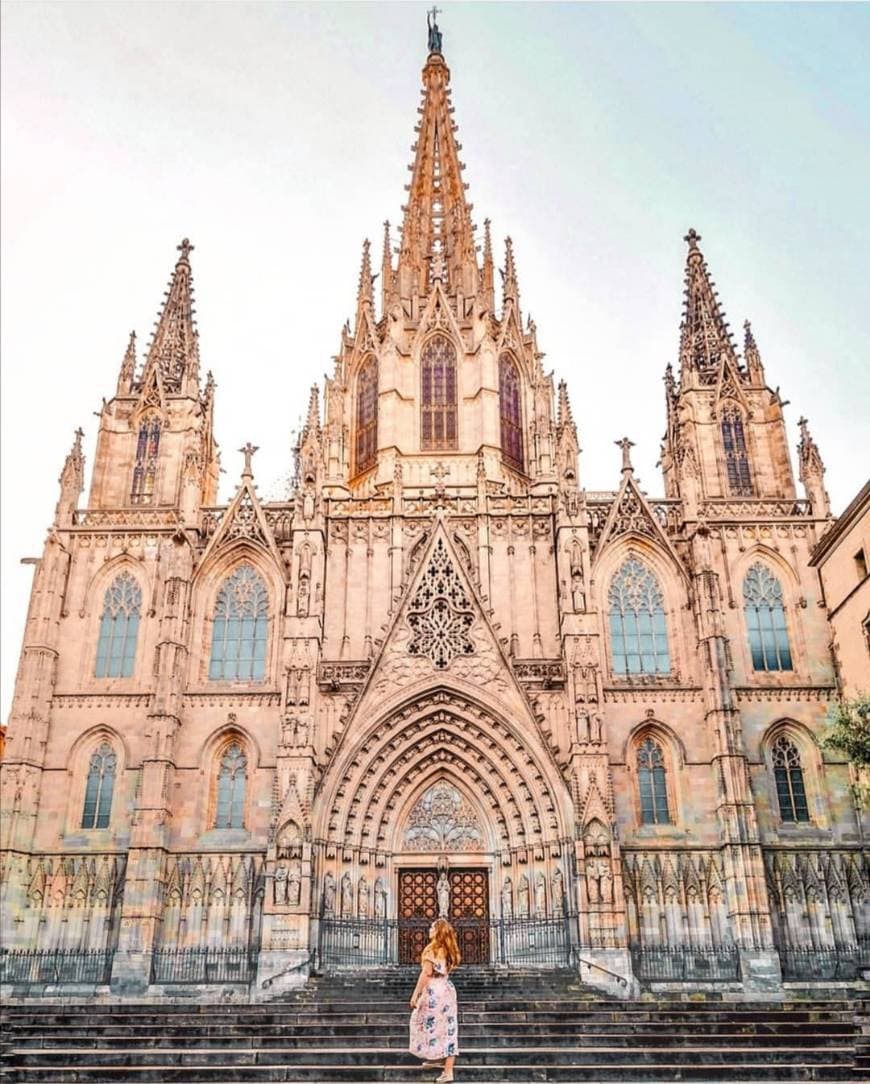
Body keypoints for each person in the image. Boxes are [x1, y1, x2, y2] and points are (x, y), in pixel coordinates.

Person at [408, 917, 460, 1082]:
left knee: (421, 1021)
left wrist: (416, 993)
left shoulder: (432, 950)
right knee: (448, 1028)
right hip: (447, 989)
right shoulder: (448, 949)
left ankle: (448, 1072)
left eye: (432, 927)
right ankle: (437, 1059)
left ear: (438, 931)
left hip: (434, 992)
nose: (429, 929)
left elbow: (426, 973)